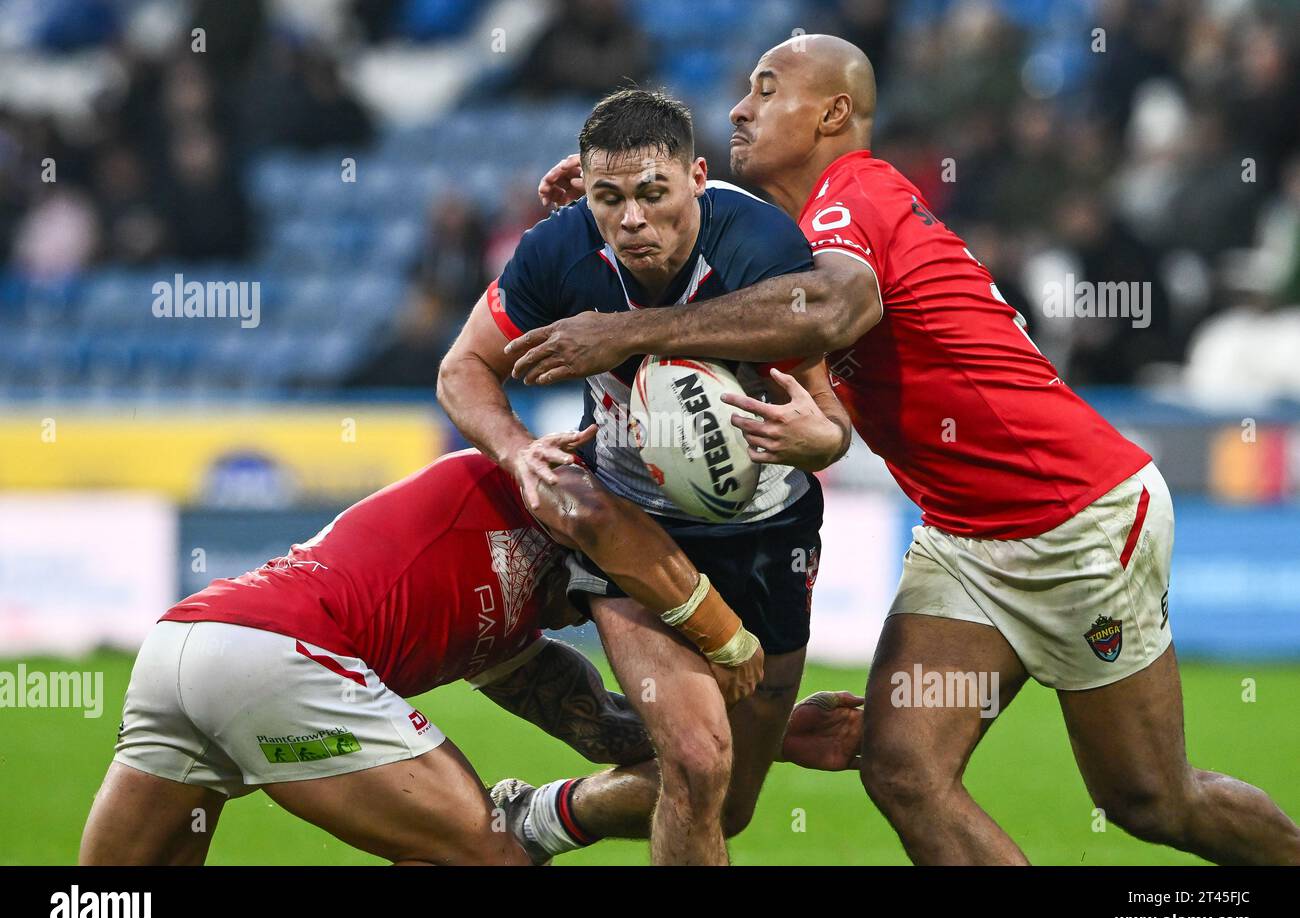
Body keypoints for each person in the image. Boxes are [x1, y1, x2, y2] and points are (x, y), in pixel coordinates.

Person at [514, 36, 1300, 865]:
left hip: (1076, 516)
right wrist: (614, 207)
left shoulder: (855, 193)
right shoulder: (788, 234)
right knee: (900, 767)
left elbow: (827, 310)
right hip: (965, 536)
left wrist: (625, 331)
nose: (741, 108)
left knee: (1149, 799)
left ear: (834, 114)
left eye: (767, 89)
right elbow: (722, 267)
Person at [437, 88, 852, 865]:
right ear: (583, 193)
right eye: (609, 198)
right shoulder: (559, 251)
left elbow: (832, 424)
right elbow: (462, 369)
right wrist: (516, 448)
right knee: (696, 760)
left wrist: (817, 440)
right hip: (632, 527)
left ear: (698, 177)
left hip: (769, 528)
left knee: (729, 804)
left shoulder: (760, 248)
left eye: (653, 193)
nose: (632, 219)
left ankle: (543, 816)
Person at [81, 442, 829, 866]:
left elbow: (602, 724)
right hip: (277, 654)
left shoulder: (509, 629)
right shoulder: (557, 494)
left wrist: (767, 737)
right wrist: (720, 627)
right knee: (489, 855)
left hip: (184, 646)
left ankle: (524, 817)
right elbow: (608, 521)